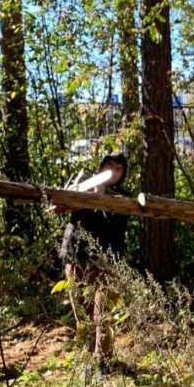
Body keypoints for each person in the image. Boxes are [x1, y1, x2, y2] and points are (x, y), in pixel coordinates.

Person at [58, 153, 129, 366]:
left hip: (107, 262)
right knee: (83, 313)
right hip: (78, 257)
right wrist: (90, 195)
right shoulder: (82, 186)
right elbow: (67, 212)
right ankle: (88, 363)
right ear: (101, 167)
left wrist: (102, 199)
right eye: (109, 166)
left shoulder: (123, 198)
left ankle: (103, 364)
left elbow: (115, 227)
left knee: (103, 314)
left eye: (118, 169)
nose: (113, 172)